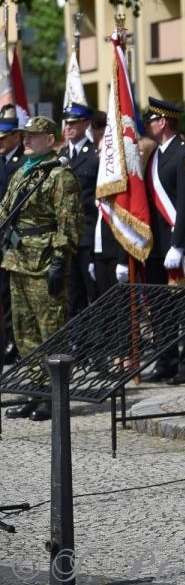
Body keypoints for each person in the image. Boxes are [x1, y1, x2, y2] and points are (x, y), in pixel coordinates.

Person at [0, 116, 84, 420]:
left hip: (45, 260)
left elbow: (69, 221)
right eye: (25, 136)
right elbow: (5, 209)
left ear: (50, 139)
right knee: (24, 332)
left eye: (34, 136)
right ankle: (35, 392)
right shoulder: (23, 172)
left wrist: (61, 260)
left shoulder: (60, 176)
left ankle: (55, 397)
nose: (26, 140)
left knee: (51, 331)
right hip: (18, 259)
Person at [142, 97, 185, 384]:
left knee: (184, 308)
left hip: (176, 245)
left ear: (162, 122)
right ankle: (165, 360)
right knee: (160, 308)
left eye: (150, 120)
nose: (147, 125)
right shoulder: (155, 156)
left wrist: (181, 245)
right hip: (156, 246)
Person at [62, 101, 100, 316]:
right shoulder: (62, 153)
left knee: (92, 290)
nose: (68, 127)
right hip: (68, 236)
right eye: (67, 123)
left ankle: (98, 341)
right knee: (73, 292)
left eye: (73, 123)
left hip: (88, 233)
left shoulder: (95, 153)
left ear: (85, 123)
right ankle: (78, 342)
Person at [0, 105, 24, 366]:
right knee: (3, 293)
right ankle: (7, 340)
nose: (0, 144)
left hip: (18, 238)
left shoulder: (23, 162)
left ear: (15, 137)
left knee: (15, 292)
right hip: (1, 237)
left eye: (4, 139)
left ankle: (15, 342)